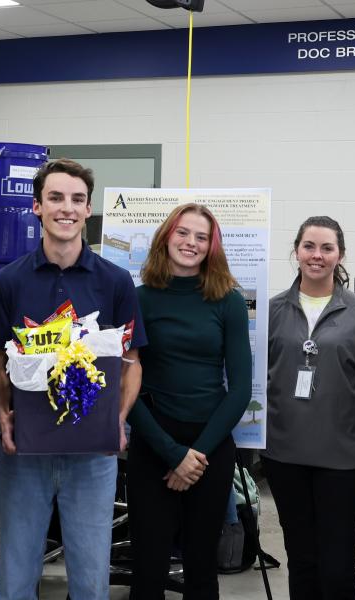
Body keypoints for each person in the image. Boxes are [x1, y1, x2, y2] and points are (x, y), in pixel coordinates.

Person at [0, 158, 146, 600]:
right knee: (15, 579)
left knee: (91, 581)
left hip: (92, 457)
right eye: (55, 198)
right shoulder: (8, 282)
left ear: (89, 209)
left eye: (77, 199)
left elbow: (131, 362)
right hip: (24, 453)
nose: (66, 208)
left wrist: (119, 418)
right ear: (37, 207)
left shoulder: (115, 282)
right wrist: (3, 416)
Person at [126, 202, 251, 599]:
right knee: (148, 568)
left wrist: (194, 455)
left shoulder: (227, 300)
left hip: (209, 448)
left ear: (212, 247)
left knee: (201, 569)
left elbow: (241, 389)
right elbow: (124, 383)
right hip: (154, 445)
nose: (191, 243)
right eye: (183, 233)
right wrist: (171, 453)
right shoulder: (139, 298)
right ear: (166, 237)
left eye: (202, 237)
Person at [262, 216, 355, 600]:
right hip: (284, 456)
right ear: (296, 252)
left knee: (336, 567)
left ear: (341, 255)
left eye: (326, 248)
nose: (317, 256)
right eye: (309, 247)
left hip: (343, 461)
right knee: (301, 560)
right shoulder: (272, 311)